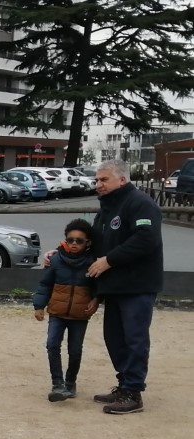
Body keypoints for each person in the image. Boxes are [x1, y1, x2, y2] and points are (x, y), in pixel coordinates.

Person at [87, 158, 164, 414]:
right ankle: (123, 385)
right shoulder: (106, 210)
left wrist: (110, 260)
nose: (99, 184)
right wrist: (62, 252)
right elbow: (94, 246)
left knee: (134, 339)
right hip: (114, 287)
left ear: (122, 179)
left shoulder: (140, 204)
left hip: (137, 285)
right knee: (114, 338)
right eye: (97, 180)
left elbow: (146, 239)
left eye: (104, 179)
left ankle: (134, 392)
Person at [32, 220, 98, 402]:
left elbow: (98, 286)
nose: (74, 244)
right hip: (57, 313)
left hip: (79, 315)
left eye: (79, 240)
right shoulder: (55, 260)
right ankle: (57, 384)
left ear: (88, 242)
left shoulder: (93, 262)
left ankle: (70, 383)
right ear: (65, 240)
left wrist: (97, 299)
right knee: (52, 345)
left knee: (75, 350)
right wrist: (39, 306)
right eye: (71, 240)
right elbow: (45, 284)